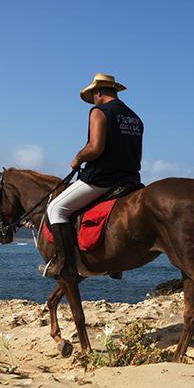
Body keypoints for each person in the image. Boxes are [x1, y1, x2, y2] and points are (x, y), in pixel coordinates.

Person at [44, 72, 143, 283]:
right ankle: (114, 264)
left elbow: (95, 148)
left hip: (103, 179)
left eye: (93, 96)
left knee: (55, 208)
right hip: (130, 180)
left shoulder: (99, 111)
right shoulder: (135, 118)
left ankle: (65, 265)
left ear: (98, 93)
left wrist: (78, 158)